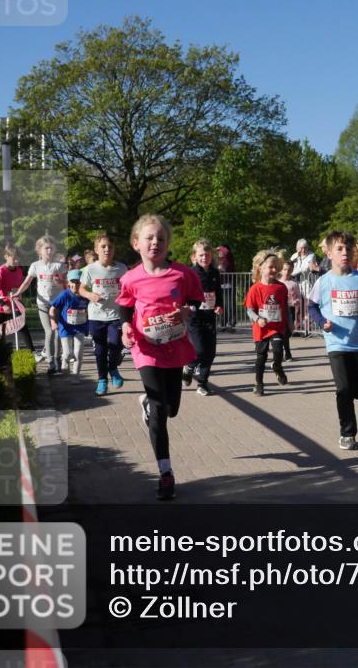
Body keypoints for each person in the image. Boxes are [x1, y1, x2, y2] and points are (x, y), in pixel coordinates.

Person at [118, 214, 204, 501]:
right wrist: (126, 326)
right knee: (159, 410)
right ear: (136, 243)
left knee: (171, 409)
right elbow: (125, 306)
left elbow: (194, 299)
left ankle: (149, 403)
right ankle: (165, 473)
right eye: (149, 237)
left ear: (168, 245)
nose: (155, 242)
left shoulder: (182, 274)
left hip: (174, 345)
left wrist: (186, 311)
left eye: (161, 238)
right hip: (145, 347)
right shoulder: (130, 277)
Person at [307, 231, 358, 450]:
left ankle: (357, 393)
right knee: (343, 389)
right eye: (339, 249)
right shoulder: (323, 281)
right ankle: (348, 433)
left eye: (347, 248)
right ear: (328, 253)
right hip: (336, 343)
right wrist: (322, 322)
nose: (344, 252)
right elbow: (312, 306)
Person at [80, 233, 129, 395]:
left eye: (110, 246)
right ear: (96, 249)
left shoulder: (121, 268)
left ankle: (113, 368)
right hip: (96, 316)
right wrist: (90, 295)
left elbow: (128, 287)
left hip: (116, 314)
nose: (107, 249)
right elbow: (81, 288)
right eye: (103, 246)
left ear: (114, 249)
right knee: (100, 350)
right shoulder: (90, 269)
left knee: (116, 345)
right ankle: (102, 379)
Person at [14, 236, 67, 375]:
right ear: (39, 251)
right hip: (42, 303)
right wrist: (18, 292)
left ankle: (57, 359)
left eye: (51, 248)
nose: (49, 251)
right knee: (49, 331)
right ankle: (50, 362)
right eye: (46, 248)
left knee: (57, 332)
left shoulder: (59, 265)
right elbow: (27, 282)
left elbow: (66, 284)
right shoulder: (35, 266)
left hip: (57, 303)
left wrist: (60, 281)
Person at [245, 249, 290, 396]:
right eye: (270, 266)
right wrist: (258, 319)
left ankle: (277, 367)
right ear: (261, 268)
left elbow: (285, 307)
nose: (274, 269)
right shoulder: (255, 288)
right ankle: (259, 383)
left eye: (276, 266)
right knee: (261, 357)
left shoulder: (281, 287)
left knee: (278, 349)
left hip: (276, 327)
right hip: (261, 328)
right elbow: (249, 310)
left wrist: (290, 322)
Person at [185, 239, 223, 396]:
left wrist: (220, 305)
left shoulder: (215, 273)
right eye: (201, 255)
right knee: (199, 350)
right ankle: (189, 366)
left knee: (210, 352)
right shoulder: (191, 273)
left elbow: (218, 292)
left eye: (207, 255)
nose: (204, 258)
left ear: (211, 256)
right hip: (194, 317)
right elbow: (184, 292)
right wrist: (186, 305)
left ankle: (202, 383)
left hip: (209, 317)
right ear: (194, 256)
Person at [49, 270, 90, 383]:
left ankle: (75, 376)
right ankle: (64, 362)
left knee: (78, 353)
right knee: (67, 353)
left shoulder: (85, 295)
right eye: (73, 282)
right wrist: (53, 322)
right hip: (65, 327)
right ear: (68, 283)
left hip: (80, 327)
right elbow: (52, 308)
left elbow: (91, 309)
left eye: (78, 282)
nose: (76, 284)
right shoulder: (64, 294)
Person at [0, 245, 34, 349]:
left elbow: (18, 286)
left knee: (22, 326)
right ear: (6, 257)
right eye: (14, 258)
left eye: (18, 258)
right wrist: (3, 305)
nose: (16, 261)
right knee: (0, 332)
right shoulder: (1, 271)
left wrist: (19, 296)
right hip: (1, 307)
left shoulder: (19, 270)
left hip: (14, 304)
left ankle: (32, 351)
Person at [280, 259, 301, 359]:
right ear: (281, 270)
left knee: (288, 331)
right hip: (280, 309)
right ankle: (287, 353)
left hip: (291, 308)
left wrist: (296, 301)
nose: (286, 272)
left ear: (292, 270)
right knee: (283, 332)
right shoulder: (278, 282)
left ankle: (283, 349)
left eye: (289, 270)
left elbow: (299, 296)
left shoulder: (294, 283)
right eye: (284, 269)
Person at [216, 244, 236, 331]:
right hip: (220, 285)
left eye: (221, 251)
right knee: (221, 305)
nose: (219, 252)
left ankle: (231, 323)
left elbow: (226, 251)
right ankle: (223, 324)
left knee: (229, 305)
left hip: (228, 285)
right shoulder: (217, 261)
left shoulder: (228, 259)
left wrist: (218, 248)